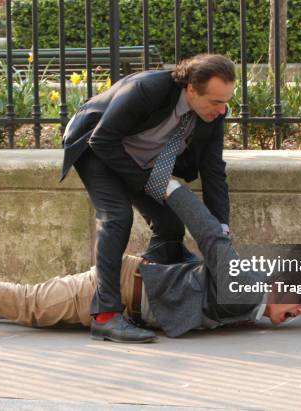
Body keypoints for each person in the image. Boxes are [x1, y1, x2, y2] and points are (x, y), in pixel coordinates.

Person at [0, 182, 301, 341]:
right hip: (111, 289)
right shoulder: (245, 289)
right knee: (26, 304)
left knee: (24, 306)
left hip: (130, 291)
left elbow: (195, 285)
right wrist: (171, 189)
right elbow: (210, 234)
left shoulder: (249, 302)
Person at [60, 54, 236, 342]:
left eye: (227, 100)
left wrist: (222, 229)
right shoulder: (147, 89)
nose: (222, 109)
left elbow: (214, 170)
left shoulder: (212, 114)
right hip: (97, 147)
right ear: (191, 89)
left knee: (170, 223)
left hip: (141, 158)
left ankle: (146, 286)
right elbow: (102, 140)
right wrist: (148, 184)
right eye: (216, 101)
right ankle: (106, 316)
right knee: (117, 216)